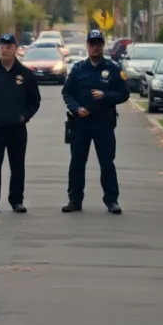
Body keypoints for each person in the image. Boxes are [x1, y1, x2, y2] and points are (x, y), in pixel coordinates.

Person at [61, 28, 130, 214]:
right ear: (87, 45)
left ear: (102, 45)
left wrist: (106, 95)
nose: (95, 47)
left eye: (98, 43)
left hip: (104, 122)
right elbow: (67, 92)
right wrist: (76, 108)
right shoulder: (78, 69)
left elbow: (124, 93)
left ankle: (112, 200)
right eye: (92, 43)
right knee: (77, 163)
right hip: (81, 123)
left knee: (107, 162)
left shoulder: (112, 68)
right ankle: (74, 200)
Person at [0, 33, 42, 213]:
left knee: (17, 167)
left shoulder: (25, 74)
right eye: (2, 46)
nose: (5, 50)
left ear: (16, 49)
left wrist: (24, 117)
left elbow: (34, 101)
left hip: (17, 130)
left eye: (9, 46)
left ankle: (16, 200)